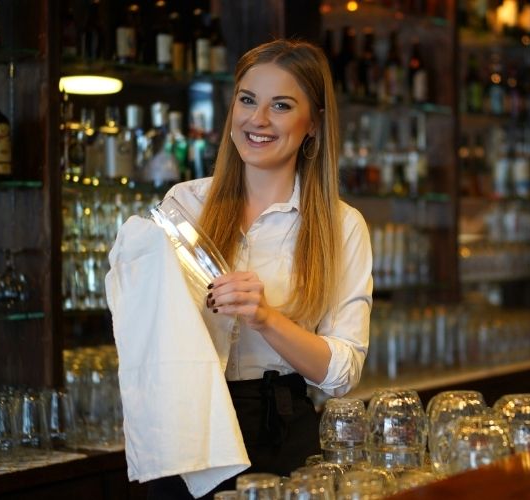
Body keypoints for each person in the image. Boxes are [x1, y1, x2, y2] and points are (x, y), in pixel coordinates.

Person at [146, 39, 373, 499]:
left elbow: (344, 370)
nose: (258, 119)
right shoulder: (183, 206)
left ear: (313, 124)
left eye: (282, 105)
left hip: (279, 430)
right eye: (247, 100)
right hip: (187, 427)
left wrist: (267, 319)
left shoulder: (340, 225)